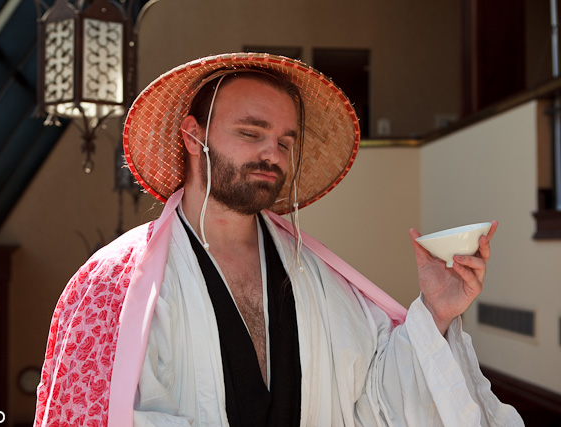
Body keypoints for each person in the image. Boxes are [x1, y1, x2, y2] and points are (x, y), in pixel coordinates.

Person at [34, 53, 523, 427]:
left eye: (286, 141)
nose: (272, 153)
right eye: (251, 133)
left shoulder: (314, 276)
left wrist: (436, 312)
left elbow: (374, 397)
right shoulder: (114, 284)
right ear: (192, 136)